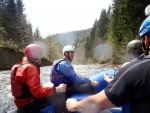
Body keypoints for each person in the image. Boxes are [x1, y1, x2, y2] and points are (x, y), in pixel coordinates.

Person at [66, 16, 150, 113]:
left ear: (146, 39)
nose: (72, 55)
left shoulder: (133, 70)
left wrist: (74, 105)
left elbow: (95, 104)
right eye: (71, 53)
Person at [10, 44, 66, 113]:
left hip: (20, 103)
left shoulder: (20, 65)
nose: (40, 58)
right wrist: (56, 89)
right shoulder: (31, 68)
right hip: (28, 104)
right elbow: (37, 92)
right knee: (59, 94)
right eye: (40, 55)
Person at [50, 45, 100, 113]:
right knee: (87, 86)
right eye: (71, 53)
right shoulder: (64, 64)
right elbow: (76, 78)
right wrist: (90, 81)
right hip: (65, 90)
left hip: (60, 89)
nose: (73, 55)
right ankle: (99, 100)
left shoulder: (59, 63)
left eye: (73, 53)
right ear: (66, 53)